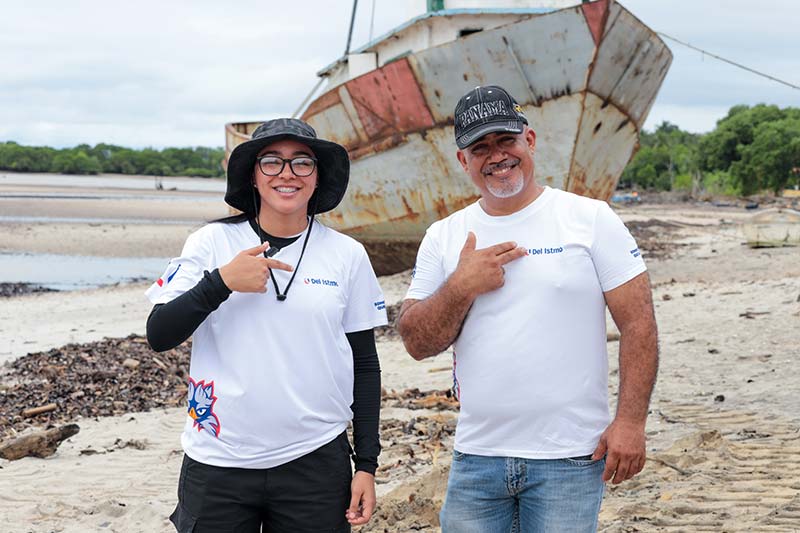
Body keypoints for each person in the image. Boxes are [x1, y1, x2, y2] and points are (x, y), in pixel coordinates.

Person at [397, 85, 659, 532]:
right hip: (477, 458)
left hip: (571, 458)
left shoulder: (590, 219)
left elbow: (639, 324)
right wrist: (461, 286)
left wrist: (631, 421)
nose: (497, 156)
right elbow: (417, 343)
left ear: (530, 141)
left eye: (506, 141)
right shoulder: (444, 235)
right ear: (464, 161)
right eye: (480, 148)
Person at [145, 118, 387, 532]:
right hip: (218, 462)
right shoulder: (211, 243)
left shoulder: (347, 255)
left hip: (315, 462)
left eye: (302, 163)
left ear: (317, 177)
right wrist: (220, 282)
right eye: (271, 162)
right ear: (253, 177)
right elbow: (159, 334)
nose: (287, 174)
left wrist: (366, 464)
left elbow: (365, 364)